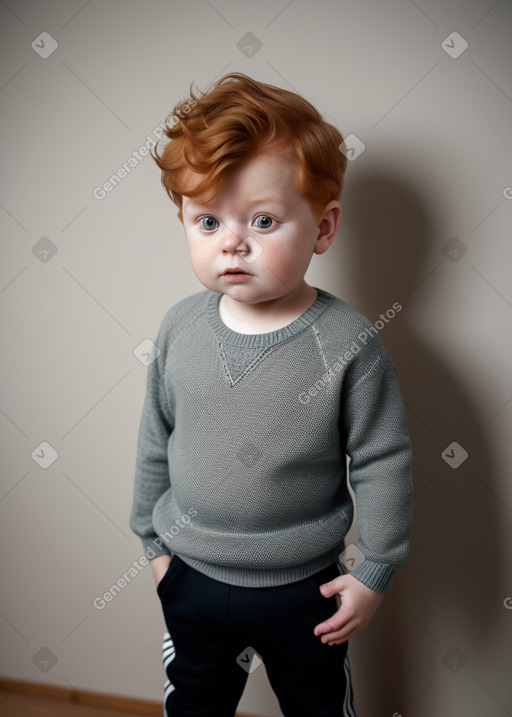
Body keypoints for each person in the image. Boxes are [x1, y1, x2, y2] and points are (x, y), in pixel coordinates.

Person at [129, 72, 413, 717]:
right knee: (193, 706)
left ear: (323, 226)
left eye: (263, 219)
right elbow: (156, 436)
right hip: (192, 581)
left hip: (303, 591)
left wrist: (375, 570)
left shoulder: (349, 343)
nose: (232, 241)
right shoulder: (179, 326)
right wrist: (153, 547)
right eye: (207, 221)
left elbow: (382, 461)